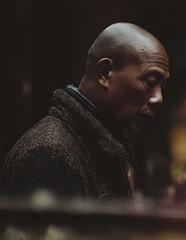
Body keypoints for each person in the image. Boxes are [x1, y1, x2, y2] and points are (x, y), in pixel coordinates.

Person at [0, 22, 169, 201]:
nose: (159, 98)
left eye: (162, 86)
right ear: (104, 73)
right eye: (150, 82)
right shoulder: (49, 153)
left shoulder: (101, 147)